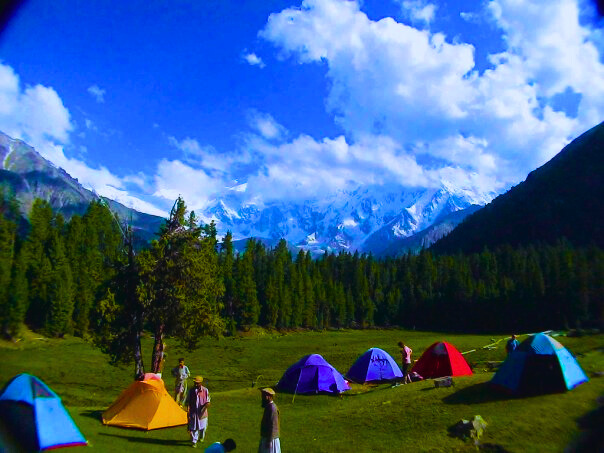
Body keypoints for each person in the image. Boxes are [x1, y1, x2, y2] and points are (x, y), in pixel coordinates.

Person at [188, 376, 211, 448]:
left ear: (201, 383)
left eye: (197, 383)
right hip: (193, 413)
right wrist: (188, 409)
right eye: (195, 383)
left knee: (203, 427)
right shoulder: (191, 391)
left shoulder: (205, 390)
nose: (196, 384)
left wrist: (206, 405)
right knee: (194, 428)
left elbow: (208, 401)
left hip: (202, 413)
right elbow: (188, 401)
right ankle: (194, 442)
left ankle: (201, 436)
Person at [258, 388, 280, 453]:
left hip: (270, 439)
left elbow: (273, 425)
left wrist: (269, 441)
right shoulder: (269, 407)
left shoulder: (272, 408)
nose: (262, 398)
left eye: (263, 396)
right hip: (266, 437)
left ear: (268, 397)